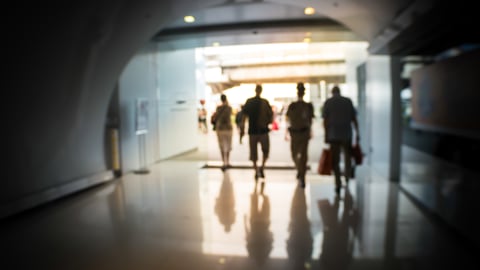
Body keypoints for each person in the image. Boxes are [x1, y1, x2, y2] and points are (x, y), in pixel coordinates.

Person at [321, 85, 360, 195]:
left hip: (333, 135)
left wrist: (326, 135)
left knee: (335, 161)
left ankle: (337, 184)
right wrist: (358, 133)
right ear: (339, 91)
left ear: (332, 92)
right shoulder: (348, 101)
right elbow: (354, 119)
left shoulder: (328, 102)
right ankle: (347, 177)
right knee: (347, 157)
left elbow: (325, 121)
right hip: (346, 134)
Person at [240, 84, 273, 180]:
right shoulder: (261, 102)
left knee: (259, 152)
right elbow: (244, 117)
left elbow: (244, 117)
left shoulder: (254, 102)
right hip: (258, 131)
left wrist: (242, 130)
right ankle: (259, 169)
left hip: (257, 131)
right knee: (258, 152)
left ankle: (259, 169)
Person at [285, 82, 314, 188]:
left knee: (303, 156)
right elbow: (288, 119)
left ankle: (302, 175)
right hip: (295, 132)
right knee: (294, 154)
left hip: (304, 132)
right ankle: (300, 170)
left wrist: (310, 130)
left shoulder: (308, 106)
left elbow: (310, 120)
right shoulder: (293, 106)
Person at [214, 94, 233, 171]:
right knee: (228, 145)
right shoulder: (228, 108)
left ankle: (224, 162)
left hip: (220, 128)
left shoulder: (218, 108)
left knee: (222, 145)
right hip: (227, 128)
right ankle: (227, 162)